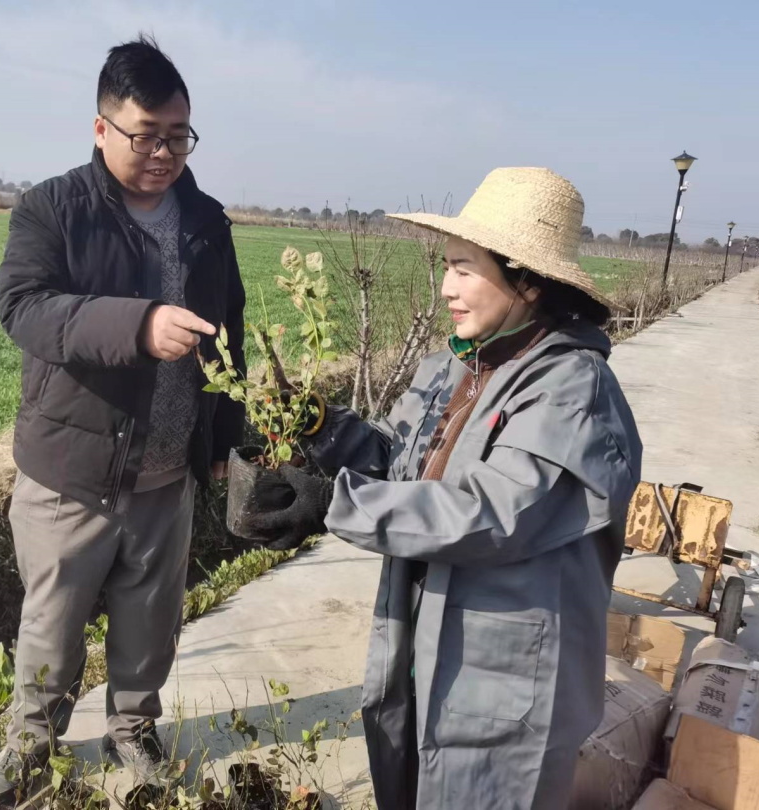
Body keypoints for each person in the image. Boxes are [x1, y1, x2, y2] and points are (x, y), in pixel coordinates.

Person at [240, 168, 643, 809]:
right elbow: (401, 465)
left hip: (506, 678)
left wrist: (335, 507)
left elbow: (489, 512)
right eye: (446, 266)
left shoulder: (572, 388)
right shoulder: (456, 365)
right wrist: (320, 427)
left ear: (528, 281)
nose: (447, 286)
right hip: (424, 637)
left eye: (463, 268)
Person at [0, 35, 246, 803]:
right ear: (102, 128)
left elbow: (229, 328)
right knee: (52, 625)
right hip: (73, 473)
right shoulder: (53, 209)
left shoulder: (205, 222)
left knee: (150, 627)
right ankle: (31, 742)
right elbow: (25, 308)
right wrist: (138, 325)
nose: (164, 152)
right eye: (147, 136)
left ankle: (133, 733)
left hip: (167, 474)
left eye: (178, 135)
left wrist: (225, 439)